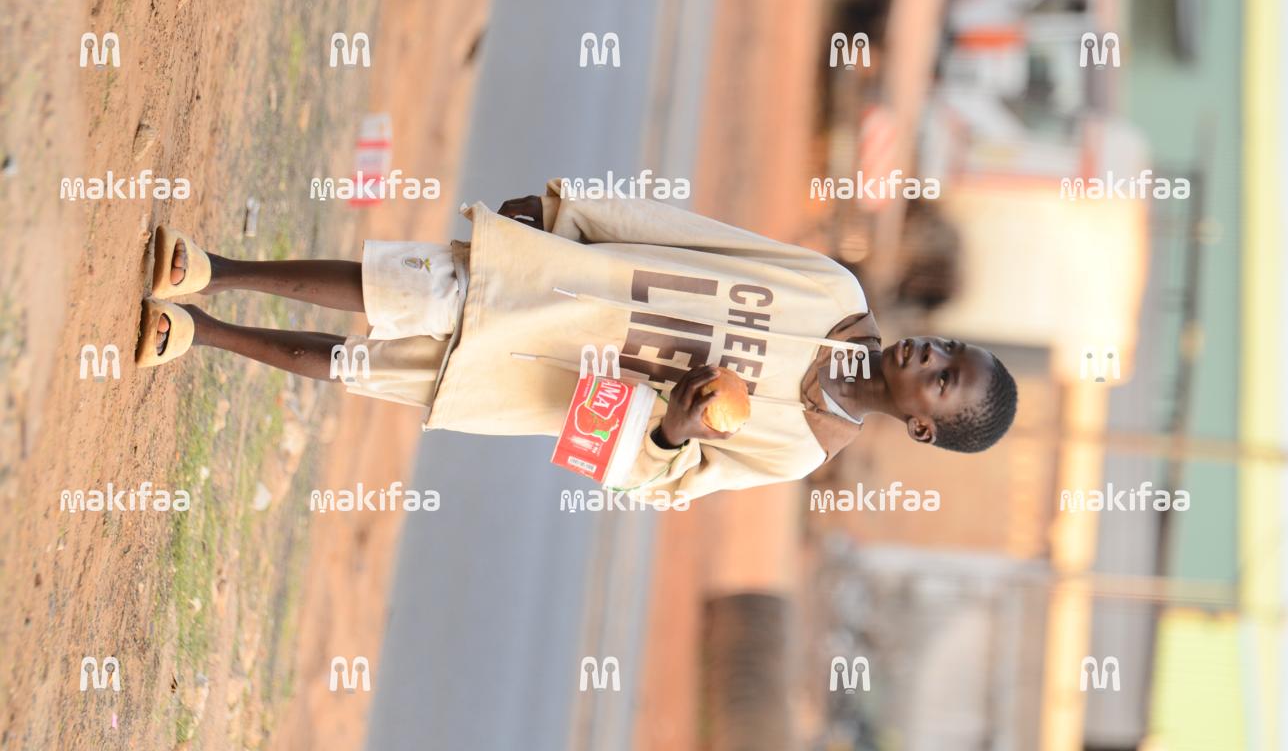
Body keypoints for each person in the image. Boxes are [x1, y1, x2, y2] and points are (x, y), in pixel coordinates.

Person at [136, 180, 1017, 501]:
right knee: (389, 284)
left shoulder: (797, 449)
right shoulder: (833, 292)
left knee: (359, 366)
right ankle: (217, 270)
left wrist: (677, 427)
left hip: (538, 379)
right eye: (948, 349)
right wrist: (573, 212)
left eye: (943, 381)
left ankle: (203, 333)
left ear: (923, 427)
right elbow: (695, 236)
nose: (928, 358)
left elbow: (667, 483)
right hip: (556, 281)